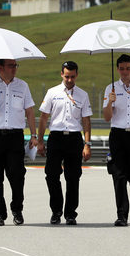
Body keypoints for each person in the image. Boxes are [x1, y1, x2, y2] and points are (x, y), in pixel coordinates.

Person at [0, 59, 37, 226]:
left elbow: (30, 111)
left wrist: (34, 135)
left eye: (16, 65)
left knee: (17, 175)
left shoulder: (22, 86)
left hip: (15, 136)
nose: (14, 69)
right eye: (11, 66)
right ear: (0, 67)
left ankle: (17, 210)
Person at [37, 61, 92, 226]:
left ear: (77, 75)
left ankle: (70, 213)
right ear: (61, 74)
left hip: (74, 138)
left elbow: (86, 120)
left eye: (72, 76)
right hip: (56, 137)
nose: (69, 80)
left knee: (73, 177)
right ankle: (56, 211)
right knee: (52, 175)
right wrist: (40, 141)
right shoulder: (52, 93)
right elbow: (43, 118)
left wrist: (87, 144)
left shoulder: (83, 95)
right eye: (67, 76)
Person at [103, 54, 130, 227]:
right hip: (118, 135)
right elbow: (107, 117)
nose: (124, 72)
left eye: (127, 68)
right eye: (121, 68)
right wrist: (109, 103)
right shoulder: (111, 88)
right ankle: (122, 214)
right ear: (117, 69)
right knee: (118, 175)